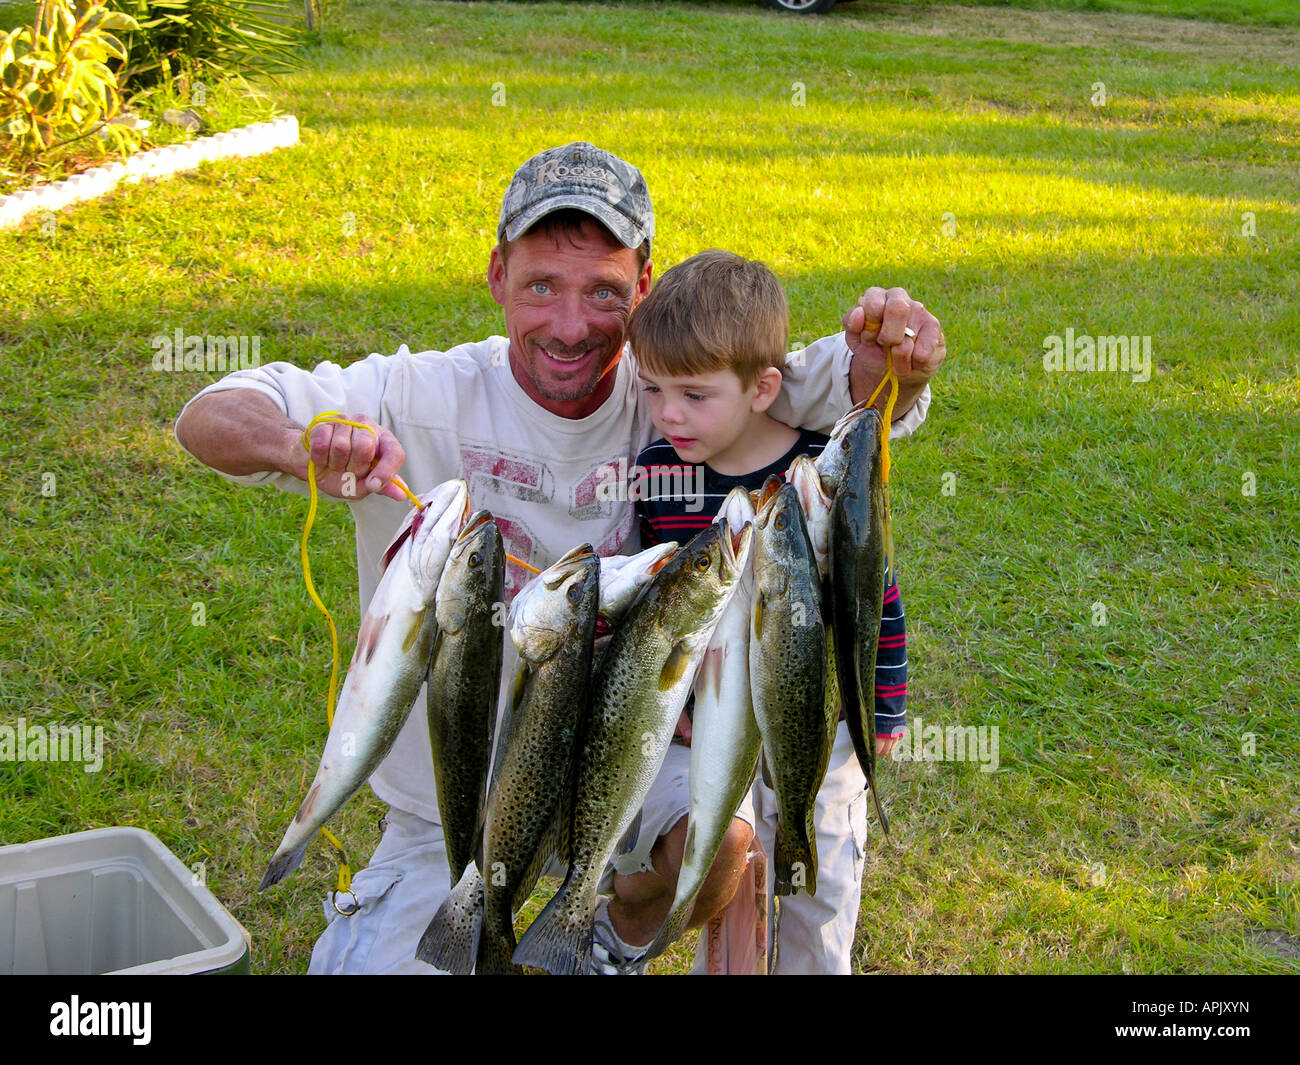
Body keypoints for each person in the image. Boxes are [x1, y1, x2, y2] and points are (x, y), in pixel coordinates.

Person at [173, 142, 945, 974]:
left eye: (604, 292)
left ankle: (603, 939)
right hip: (455, 804)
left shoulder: (678, 383)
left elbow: (854, 382)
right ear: (498, 273)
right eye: (542, 285)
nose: (572, 328)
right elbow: (209, 415)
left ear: (644, 287)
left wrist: (891, 350)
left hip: (627, 757)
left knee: (722, 841)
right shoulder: (416, 394)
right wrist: (300, 445)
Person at [625, 249, 905, 975]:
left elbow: (871, 596)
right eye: (653, 390)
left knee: (823, 880)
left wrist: (885, 712)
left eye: (692, 394)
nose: (668, 414)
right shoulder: (656, 473)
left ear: (763, 387)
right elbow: (660, 605)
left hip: (822, 720)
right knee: (740, 887)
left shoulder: (818, 475)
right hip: (714, 724)